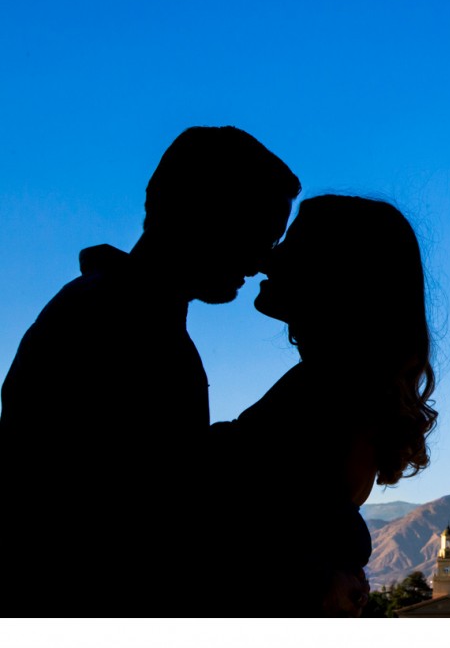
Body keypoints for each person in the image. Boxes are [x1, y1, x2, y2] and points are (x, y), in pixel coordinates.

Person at [0, 126, 301, 616]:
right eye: (257, 232)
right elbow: (141, 524)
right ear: (201, 214)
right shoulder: (115, 325)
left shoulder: (119, 316)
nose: (262, 259)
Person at [208, 194, 438, 616]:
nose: (266, 258)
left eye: (291, 245)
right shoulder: (352, 390)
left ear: (335, 275)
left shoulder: (326, 393)